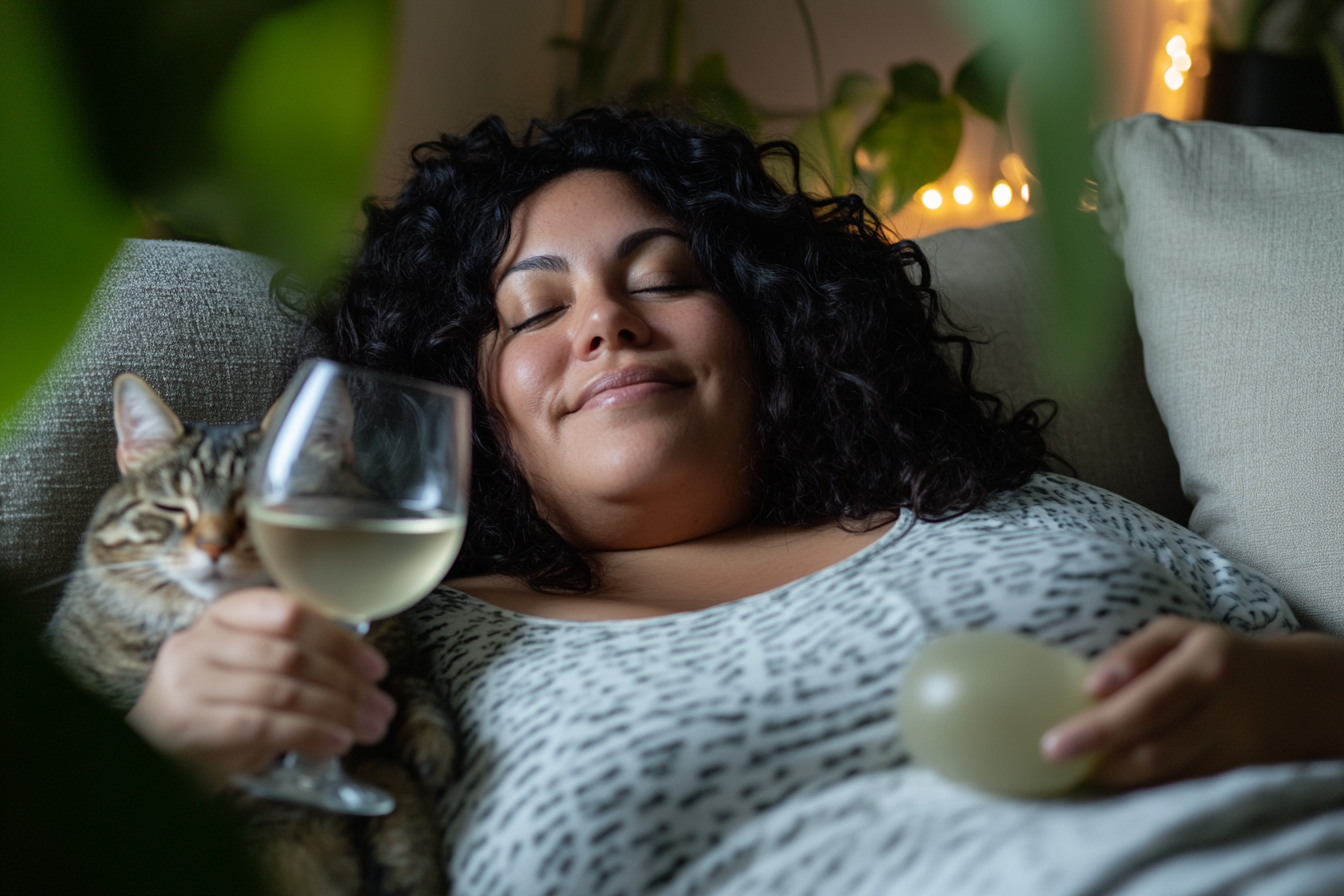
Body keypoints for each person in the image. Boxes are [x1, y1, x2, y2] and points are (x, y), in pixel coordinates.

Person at [127, 108, 1344, 893]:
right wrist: (169, 755)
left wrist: (1292, 694)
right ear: (467, 399)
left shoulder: (1025, 509)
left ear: (768, 332)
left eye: (665, 278)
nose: (606, 319)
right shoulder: (403, 638)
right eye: (536, 312)